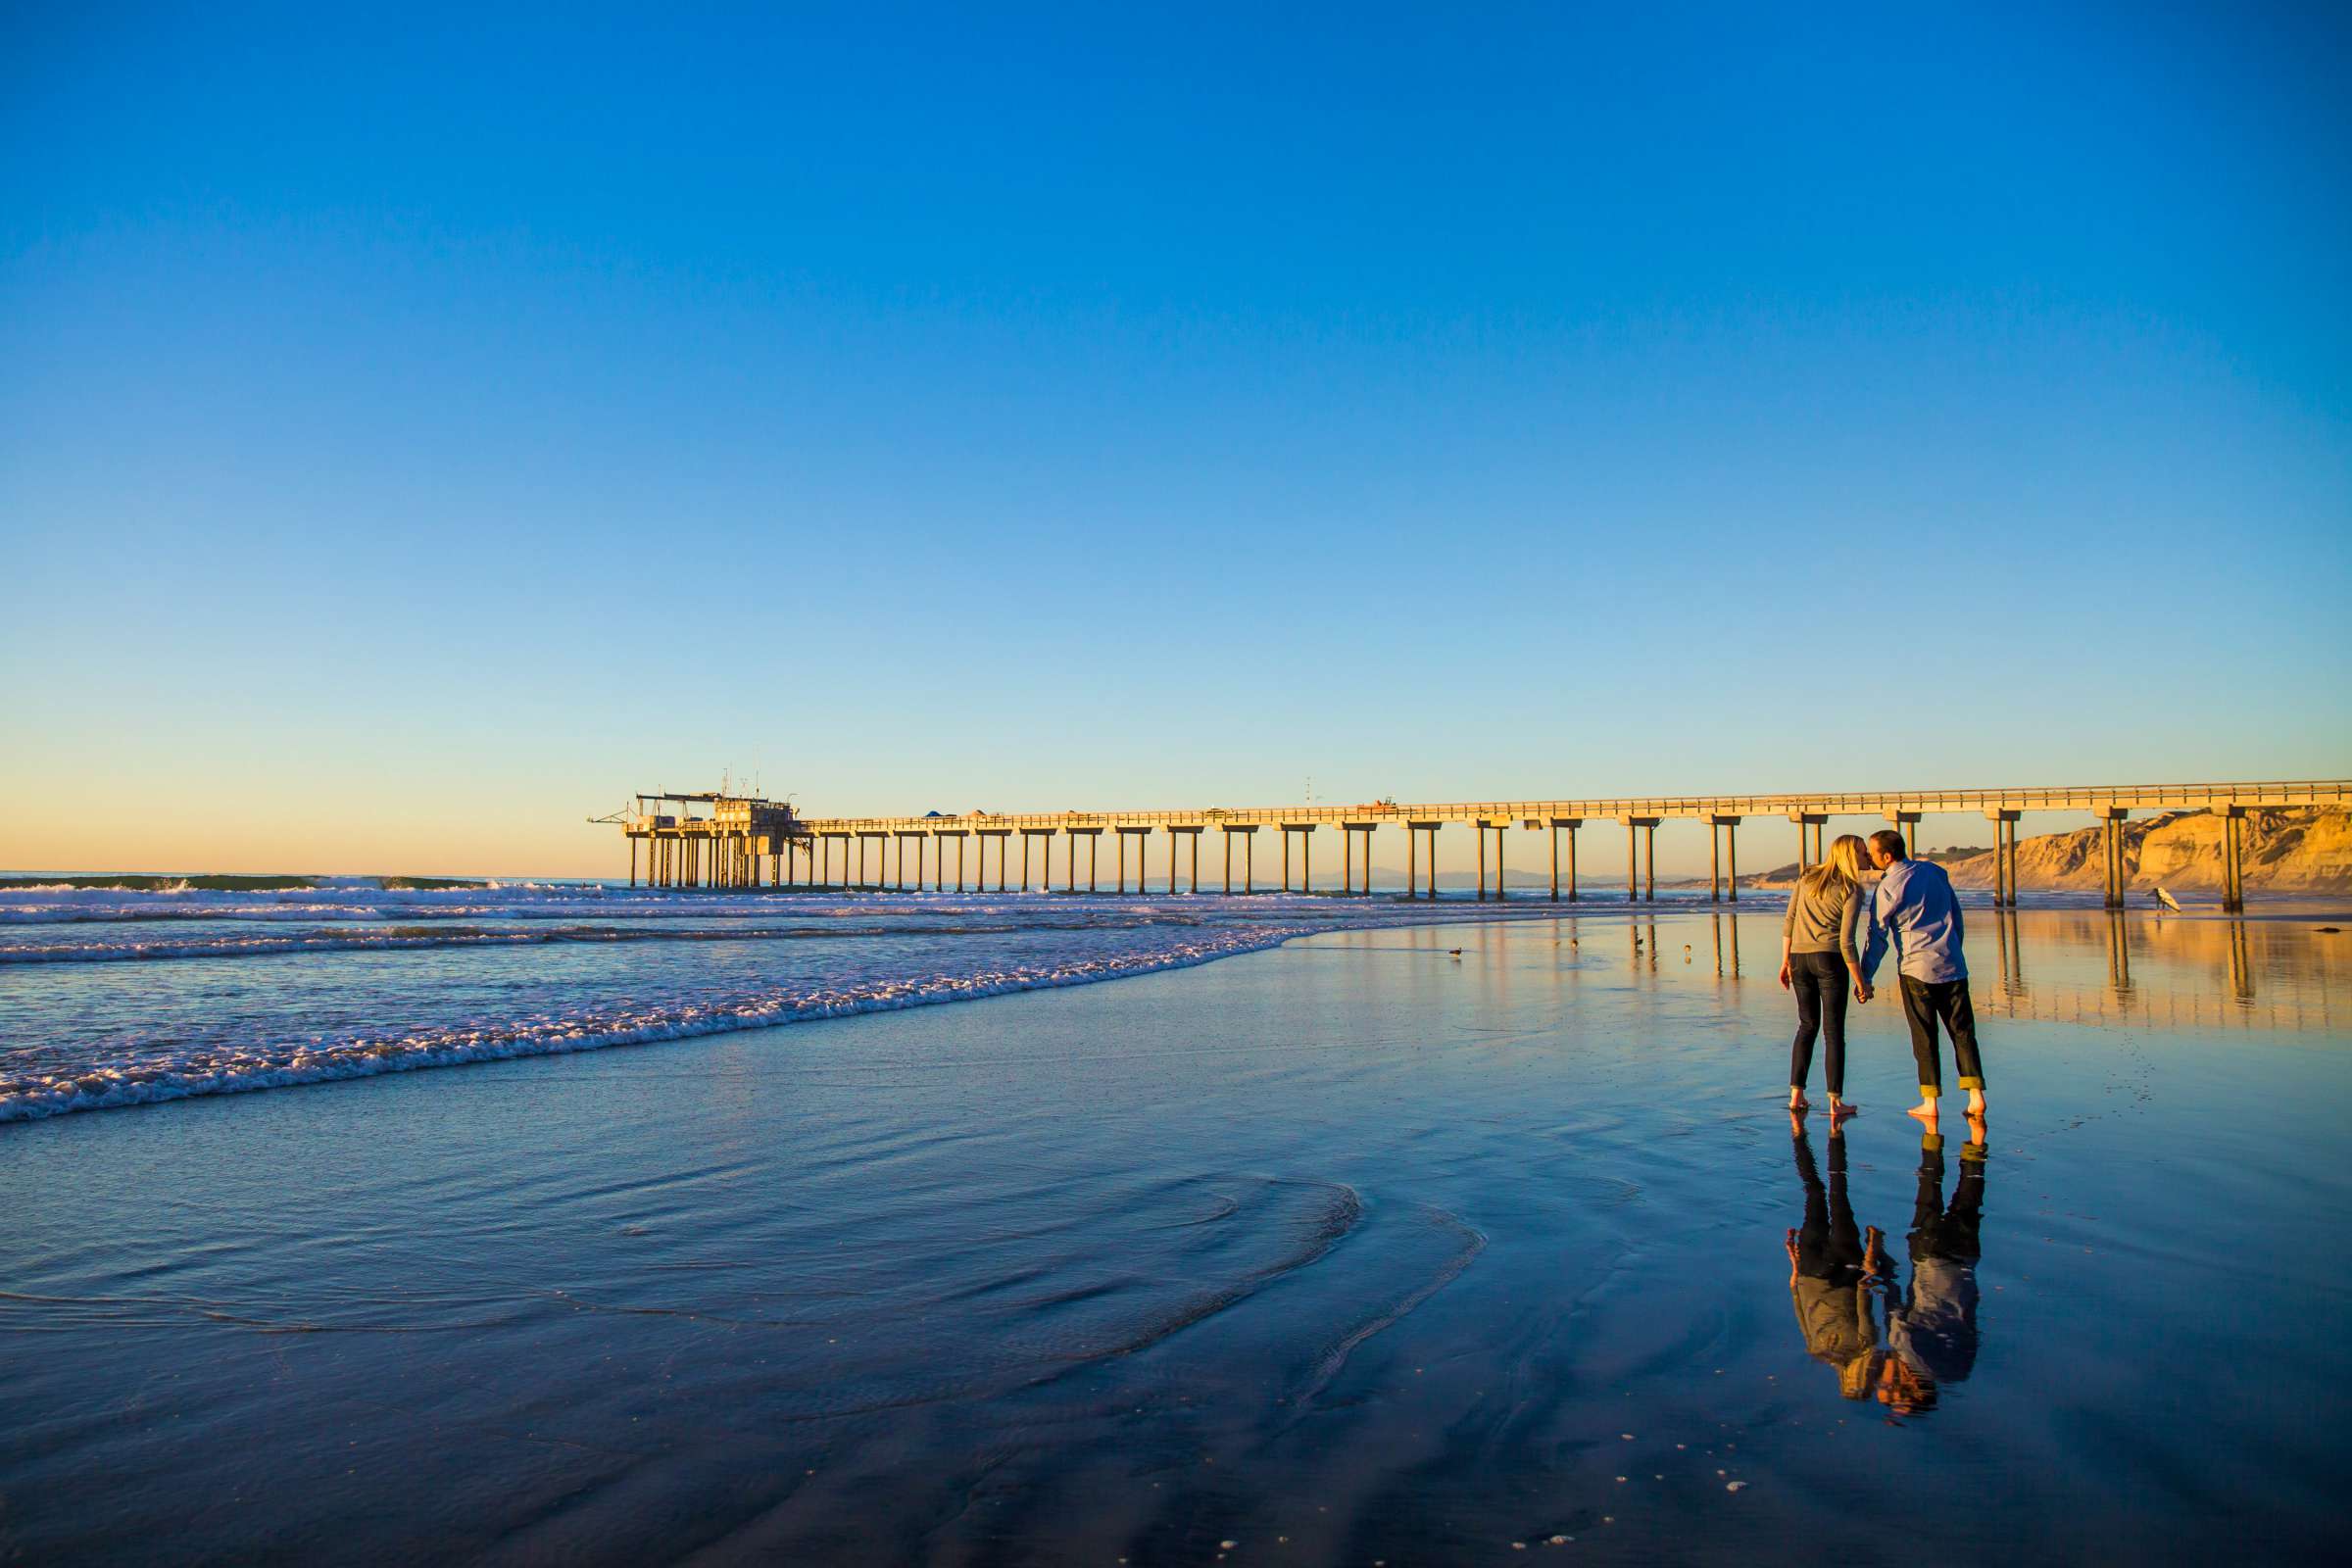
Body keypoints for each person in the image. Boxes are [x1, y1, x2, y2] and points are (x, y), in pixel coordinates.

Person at [1862, 830, 1985, 1124]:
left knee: (1924, 1036)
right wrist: (1955, 949)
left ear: (1887, 856)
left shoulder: (1888, 887)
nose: (1869, 856)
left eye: (1872, 852)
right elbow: (1957, 915)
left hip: (1917, 970)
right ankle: (1976, 1097)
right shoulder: (1935, 872)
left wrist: (1865, 976)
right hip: (1953, 964)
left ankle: (1930, 1103)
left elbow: (1877, 936)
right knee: (1963, 1032)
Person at [1878, 1117, 1988, 1416]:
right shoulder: (1904, 1349)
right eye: (1886, 1386)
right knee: (1929, 1189)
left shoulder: (1960, 1368)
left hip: (1965, 1262)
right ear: (1906, 1385)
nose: (1881, 1378)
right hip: (1930, 1259)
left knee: (1969, 1199)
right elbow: (1892, 1298)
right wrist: (1877, 1259)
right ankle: (1932, 1133)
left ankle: (1976, 1141)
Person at [1785, 1116, 1889, 1400]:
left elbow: (1863, 1297)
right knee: (1815, 1192)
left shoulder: (1866, 1346)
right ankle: (1799, 1134)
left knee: (1837, 1189)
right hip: (1810, 1273)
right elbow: (1800, 1312)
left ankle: (1835, 1133)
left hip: (1844, 1272)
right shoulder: (1816, 1351)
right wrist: (1794, 1275)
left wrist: (1871, 1257)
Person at [1777, 833, 1873, 1118]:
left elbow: (1790, 921)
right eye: (1863, 852)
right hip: (1829, 959)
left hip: (1798, 958)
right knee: (1833, 1032)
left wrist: (1785, 962)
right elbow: (1846, 942)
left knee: (1806, 1026)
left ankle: (1796, 1095)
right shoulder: (1852, 889)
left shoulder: (1807, 878)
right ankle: (1835, 1102)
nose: (1867, 856)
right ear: (1850, 856)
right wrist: (1861, 981)